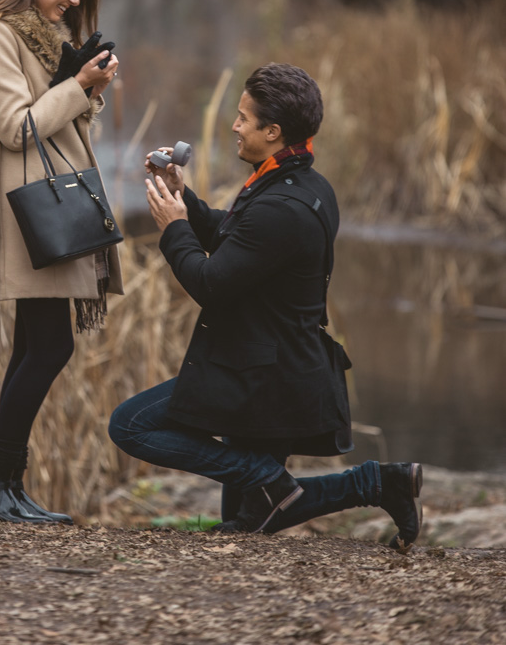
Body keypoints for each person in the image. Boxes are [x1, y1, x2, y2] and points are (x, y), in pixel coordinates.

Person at [109, 63, 423, 552]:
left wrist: (174, 228)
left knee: (130, 425)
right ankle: (381, 484)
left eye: (242, 118)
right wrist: (184, 199)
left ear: (272, 131)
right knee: (249, 524)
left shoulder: (282, 204)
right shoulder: (297, 183)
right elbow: (241, 244)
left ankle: (314, 479)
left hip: (261, 382)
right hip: (271, 367)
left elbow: (212, 282)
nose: (234, 126)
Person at [0, 0, 123, 524]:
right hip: (20, 208)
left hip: (41, 202)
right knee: (50, 344)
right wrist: (78, 84)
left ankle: (2, 488)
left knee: (37, 344)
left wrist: (83, 82)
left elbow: (53, 120)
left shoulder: (39, 36)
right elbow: (16, 127)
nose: (73, 0)